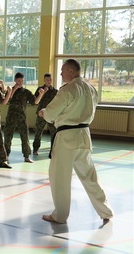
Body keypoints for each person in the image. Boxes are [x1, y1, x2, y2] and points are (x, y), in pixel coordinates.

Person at [39, 59, 114, 224]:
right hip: (84, 135)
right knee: (90, 177)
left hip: (67, 138)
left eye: (63, 70)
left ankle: (60, 215)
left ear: (71, 71)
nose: (60, 74)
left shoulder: (68, 89)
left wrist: (44, 112)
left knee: (60, 178)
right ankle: (106, 211)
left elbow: (51, 115)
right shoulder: (91, 89)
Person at [3, 72, 44, 163]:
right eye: (18, 80)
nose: (20, 82)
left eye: (22, 81)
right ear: (15, 80)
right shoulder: (10, 90)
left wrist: (41, 94)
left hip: (22, 117)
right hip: (11, 117)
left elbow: (35, 102)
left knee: (25, 137)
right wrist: (14, 90)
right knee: (8, 136)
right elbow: (8, 100)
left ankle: (26, 156)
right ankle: (6, 155)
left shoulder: (26, 92)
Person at [32, 73, 58, 155]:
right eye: (47, 80)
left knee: (54, 132)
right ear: (44, 80)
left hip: (51, 115)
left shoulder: (55, 91)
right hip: (41, 114)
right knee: (38, 132)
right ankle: (35, 149)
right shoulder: (40, 89)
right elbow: (35, 101)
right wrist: (42, 93)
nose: (49, 81)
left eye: (50, 79)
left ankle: (53, 150)